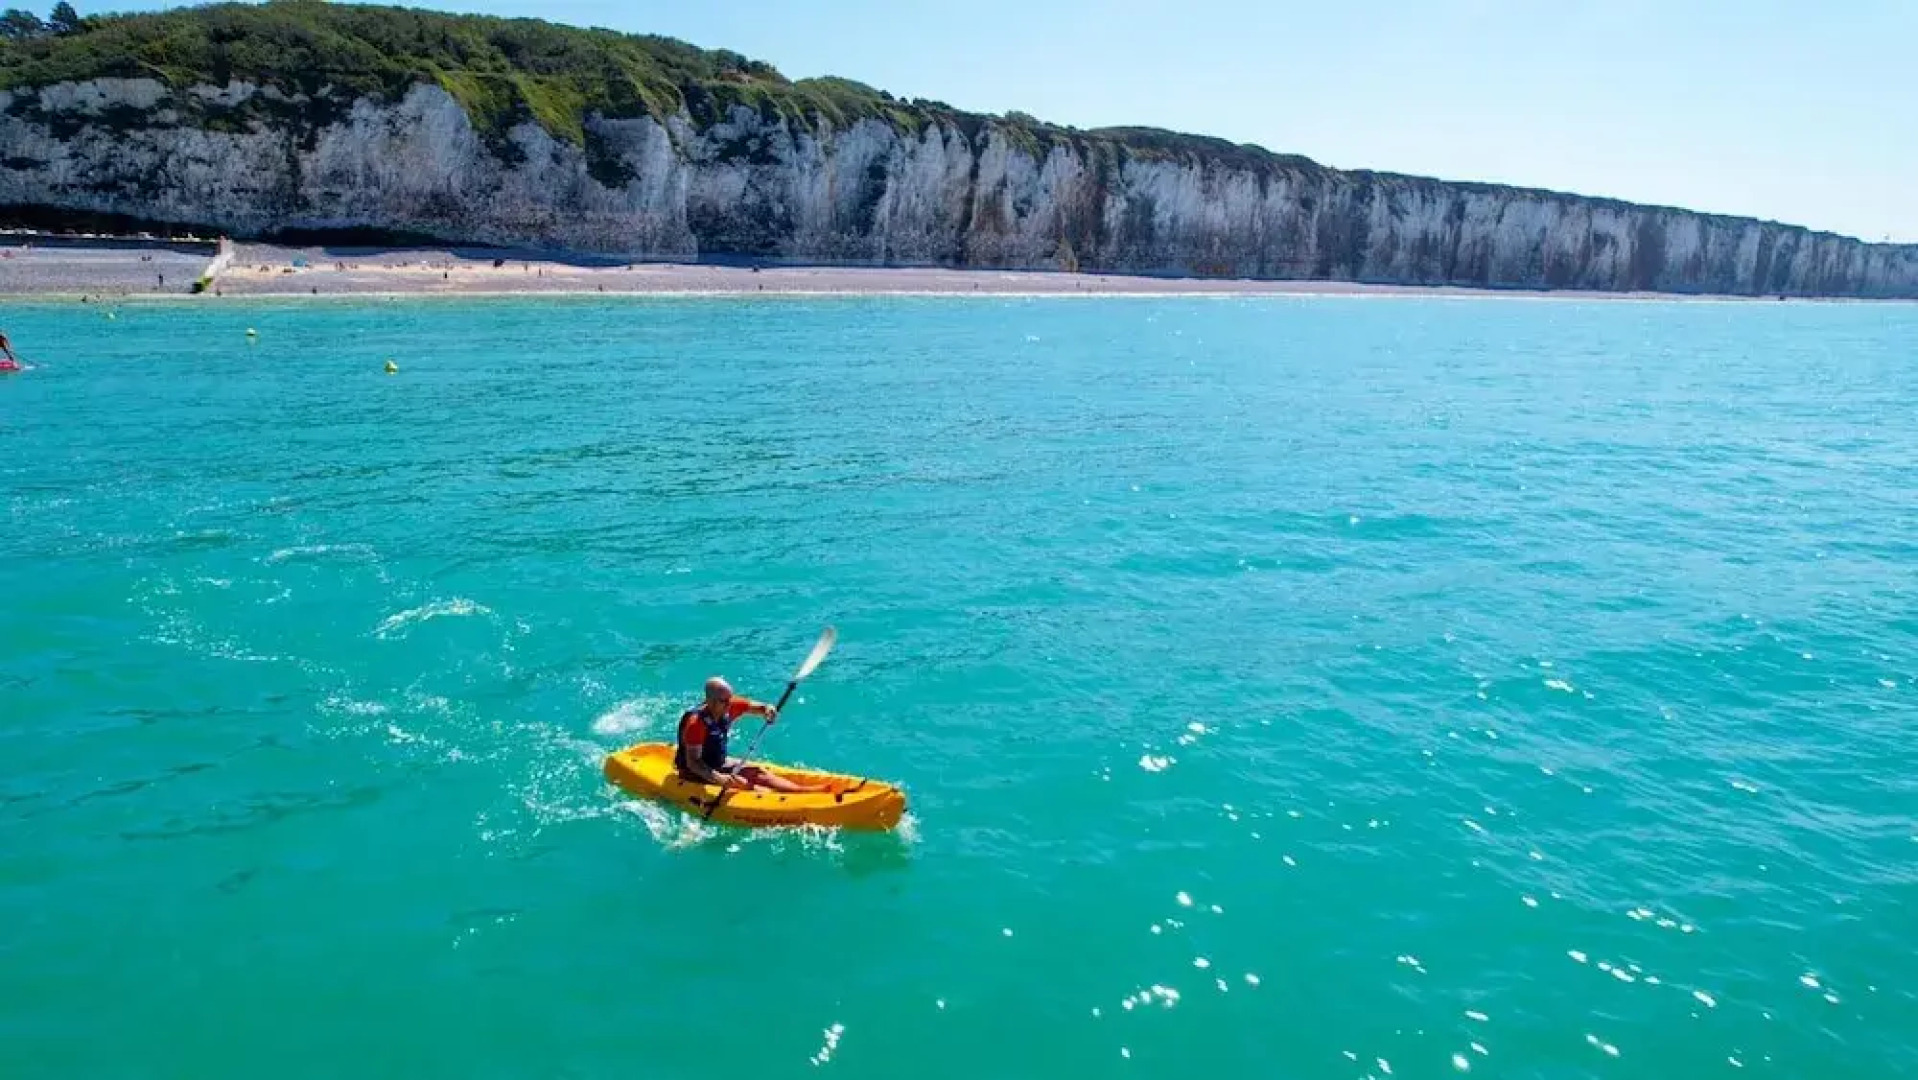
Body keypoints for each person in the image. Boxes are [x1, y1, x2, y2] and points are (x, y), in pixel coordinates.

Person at [675, 677, 826, 793]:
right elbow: (693, 763)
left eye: (730, 699)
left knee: (758, 773)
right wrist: (719, 779)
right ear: (710, 701)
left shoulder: (728, 705)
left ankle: (802, 792)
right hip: (694, 773)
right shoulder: (696, 724)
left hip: (717, 762)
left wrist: (768, 710)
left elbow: (760, 708)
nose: (729, 704)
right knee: (746, 785)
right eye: (724, 701)